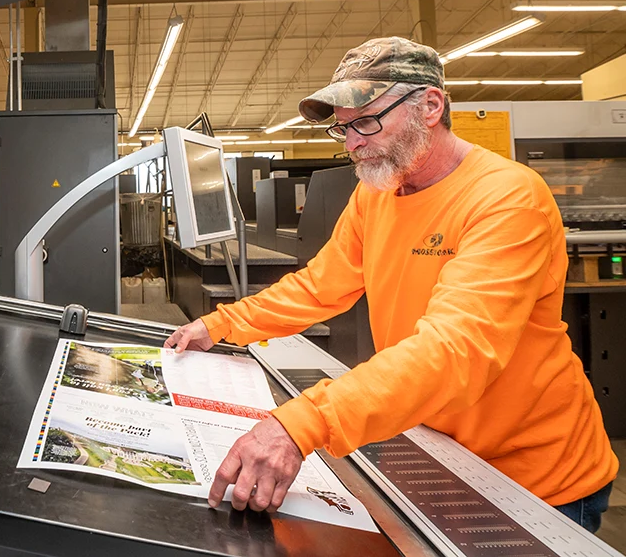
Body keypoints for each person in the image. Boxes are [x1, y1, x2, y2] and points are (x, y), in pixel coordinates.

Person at [165, 37, 618, 532]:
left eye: (366, 121)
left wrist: (301, 424)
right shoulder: (376, 195)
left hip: (533, 479)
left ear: (429, 106)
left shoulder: (507, 198)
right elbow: (321, 286)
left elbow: (454, 349)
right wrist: (222, 323)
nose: (353, 142)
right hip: (441, 450)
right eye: (343, 128)